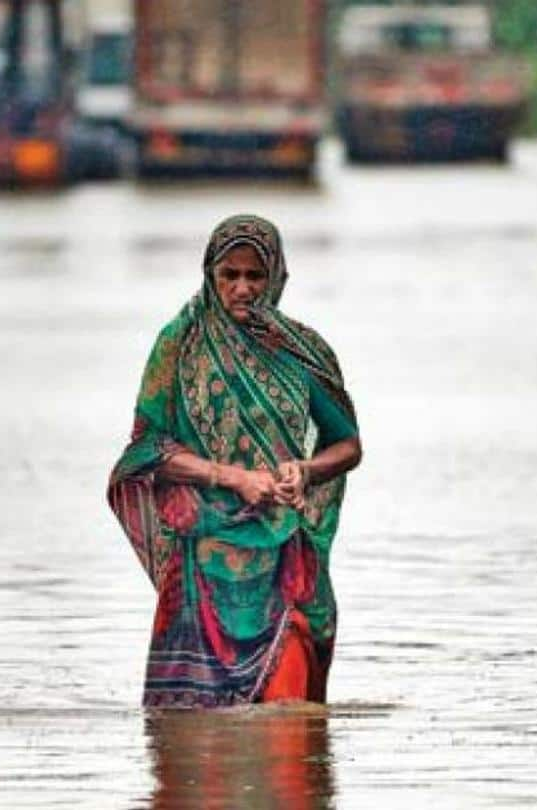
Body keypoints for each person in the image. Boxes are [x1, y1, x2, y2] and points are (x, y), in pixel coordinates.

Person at [109, 214, 362, 708]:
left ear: (277, 278)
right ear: (211, 276)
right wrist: (233, 478)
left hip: (285, 556)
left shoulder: (301, 352)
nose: (243, 288)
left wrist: (303, 471)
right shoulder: (179, 347)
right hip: (202, 566)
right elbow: (145, 450)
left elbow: (348, 445)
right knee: (195, 747)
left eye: (255, 276)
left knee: (291, 724)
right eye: (230, 275)